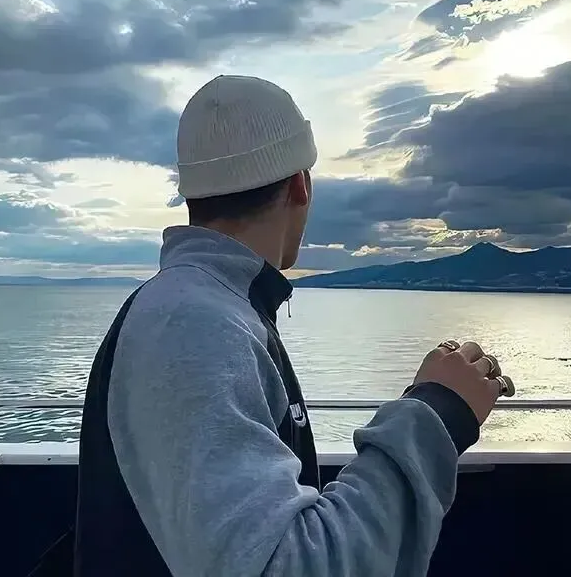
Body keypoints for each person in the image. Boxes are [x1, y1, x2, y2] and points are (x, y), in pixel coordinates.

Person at [75, 74, 514, 576]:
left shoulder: (204, 307)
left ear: (193, 197)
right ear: (301, 184)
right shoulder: (192, 325)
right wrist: (436, 413)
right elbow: (286, 566)